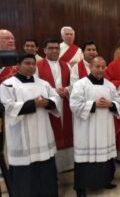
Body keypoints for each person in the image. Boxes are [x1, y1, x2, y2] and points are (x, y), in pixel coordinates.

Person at [0, 53, 60, 197]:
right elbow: (7, 107)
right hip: (21, 137)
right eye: (27, 63)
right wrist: (33, 104)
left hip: (42, 133)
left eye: (33, 64)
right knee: (25, 176)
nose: (31, 66)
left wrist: (48, 103)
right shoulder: (8, 85)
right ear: (18, 66)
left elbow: (55, 98)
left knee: (46, 169)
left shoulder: (43, 83)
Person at [70, 56, 120, 197]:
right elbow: (74, 104)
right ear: (90, 67)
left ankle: (105, 181)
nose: (100, 70)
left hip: (105, 128)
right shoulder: (81, 84)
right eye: (97, 67)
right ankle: (81, 188)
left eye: (103, 67)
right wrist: (93, 104)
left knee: (105, 157)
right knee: (84, 160)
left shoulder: (109, 85)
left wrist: (111, 104)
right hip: (86, 130)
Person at [36, 38, 73, 172]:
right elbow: (36, 86)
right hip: (50, 105)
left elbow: (73, 83)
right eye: (51, 48)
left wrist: (67, 90)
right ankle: (55, 167)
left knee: (67, 130)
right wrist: (53, 92)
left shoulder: (67, 65)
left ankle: (68, 165)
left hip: (65, 102)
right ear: (44, 50)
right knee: (52, 132)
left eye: (57, 48)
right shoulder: (37, 66)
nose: (54, 50)